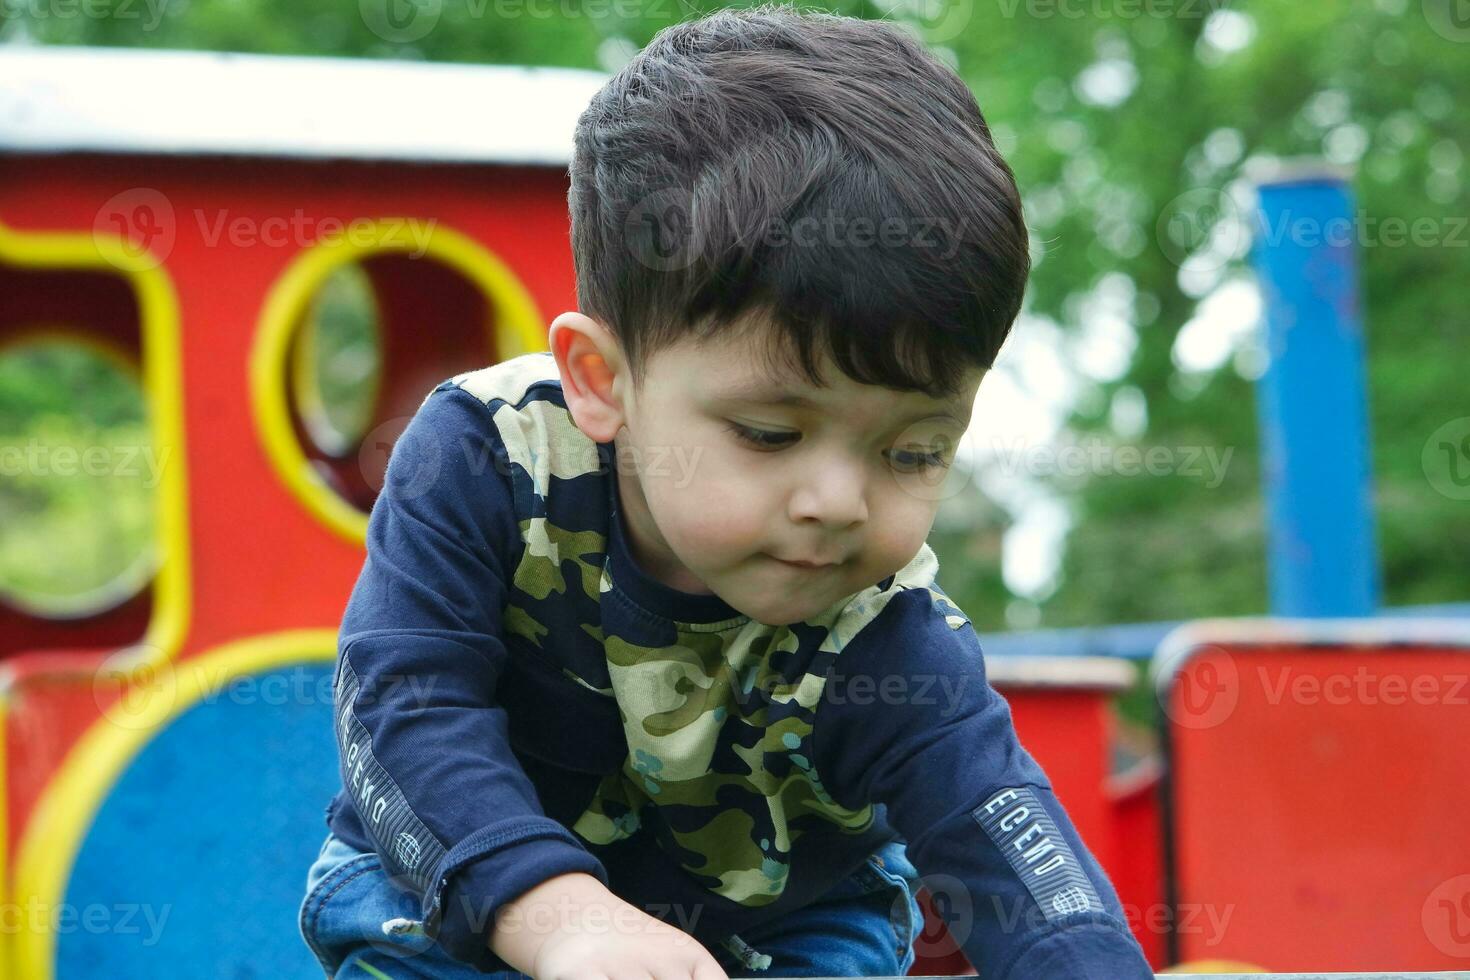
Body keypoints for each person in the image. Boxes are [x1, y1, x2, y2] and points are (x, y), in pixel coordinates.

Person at [298, 5, 1153, 978]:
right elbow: (405, 704)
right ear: (600, 379)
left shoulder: (881, 625)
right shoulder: (487, 461)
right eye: (770, 433)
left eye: (912, 450)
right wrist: (564, 920)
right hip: (470, 898)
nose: (838, 500)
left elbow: (1008, 842)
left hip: (776, 928)